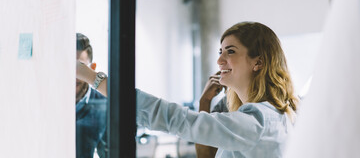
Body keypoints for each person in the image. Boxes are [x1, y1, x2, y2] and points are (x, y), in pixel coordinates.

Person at [76, 21, 299, 157]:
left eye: (230, 51)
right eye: (220, 51)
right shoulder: (272, 117)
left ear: (258, 62)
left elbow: (174, 118)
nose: (220, 60)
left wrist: (90, 77)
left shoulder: (258, 121)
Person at [76, 33, 107, 158]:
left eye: (80, 67)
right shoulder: (46, 103)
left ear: (92, 68)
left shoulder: (104, 107)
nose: (74, 75)